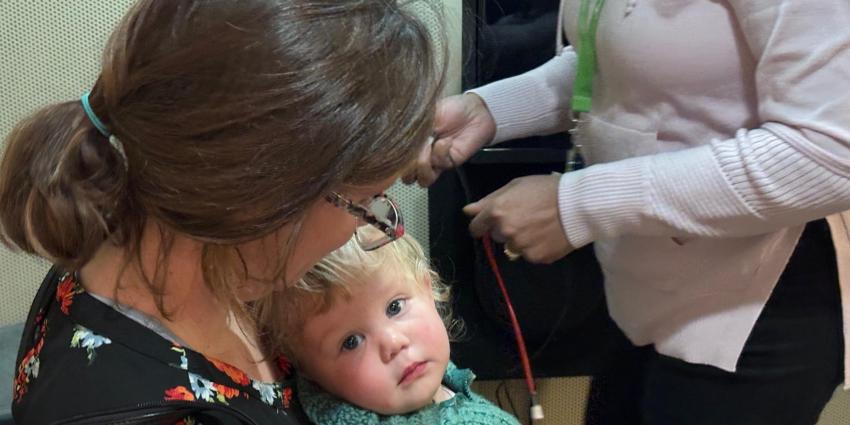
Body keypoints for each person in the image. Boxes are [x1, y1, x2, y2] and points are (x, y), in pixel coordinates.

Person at [0, 0, 445, 423]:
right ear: (267, 203)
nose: (359, 231)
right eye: (365, 204)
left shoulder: (209, 263)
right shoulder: (139, 407)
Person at [409, 1, 850, 424]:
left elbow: (831, 155)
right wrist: (491, 109)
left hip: (754, 304)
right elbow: (612, 62)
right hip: (641, 290)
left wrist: (579, 205)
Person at [254, 232, 520, 425]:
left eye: (395, 307)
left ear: (427, 290)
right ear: (310, 374)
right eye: (352, 342)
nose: (394, 342)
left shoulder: (443, 379)